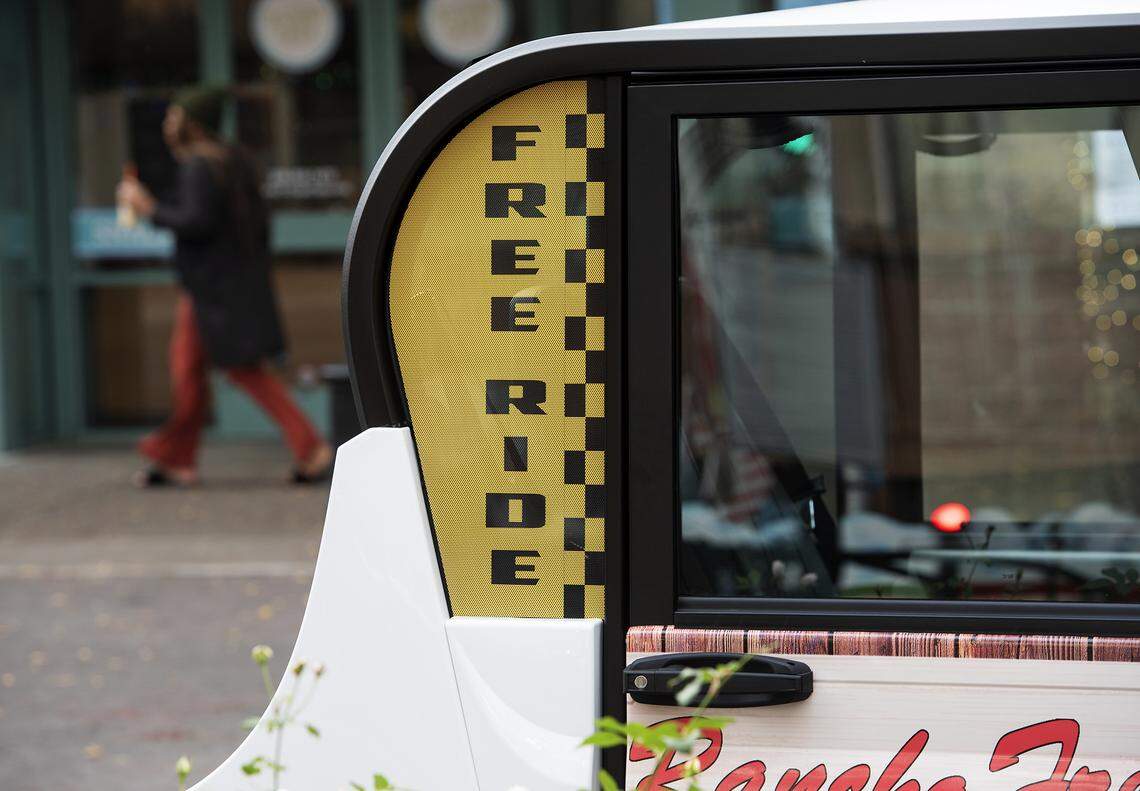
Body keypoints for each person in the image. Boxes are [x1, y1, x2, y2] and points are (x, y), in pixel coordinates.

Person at [116, 86, 333, 487]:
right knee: (193, 373)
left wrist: (148, 207)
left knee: (233, 371)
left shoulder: (201, 167)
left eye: (174, 116)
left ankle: (310, 448)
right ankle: (176, 458)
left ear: (192, 125)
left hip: (210, 291)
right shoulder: (235, 161)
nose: (167, 125)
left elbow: (195, 221)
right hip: (230, 286)